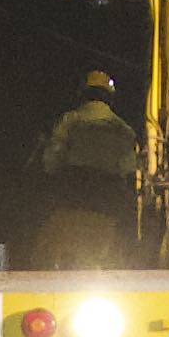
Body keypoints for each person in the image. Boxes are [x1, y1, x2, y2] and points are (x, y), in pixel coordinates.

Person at [34, 71, 140, 270]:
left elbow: (51, 161)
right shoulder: (124, 130)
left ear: (83, 93)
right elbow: (128, 168)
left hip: (71, 196)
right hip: (109, 202)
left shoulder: (69, 121)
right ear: (109, 97)